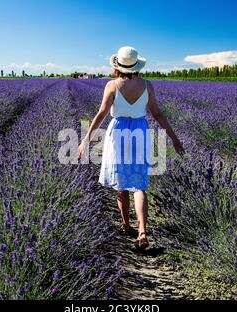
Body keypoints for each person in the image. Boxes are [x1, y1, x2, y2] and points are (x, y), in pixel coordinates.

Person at [78, 46, 184, 249]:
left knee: (121, 184)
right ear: (136, 66)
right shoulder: (147, 85)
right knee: (139, 184)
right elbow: (158, 114)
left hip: (118, 132)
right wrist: (174, 139)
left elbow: (101, 114)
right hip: (140, 132)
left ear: (118, 66)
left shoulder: (112, 85)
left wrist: (85, 139)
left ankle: (126, 226)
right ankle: (142, 231)